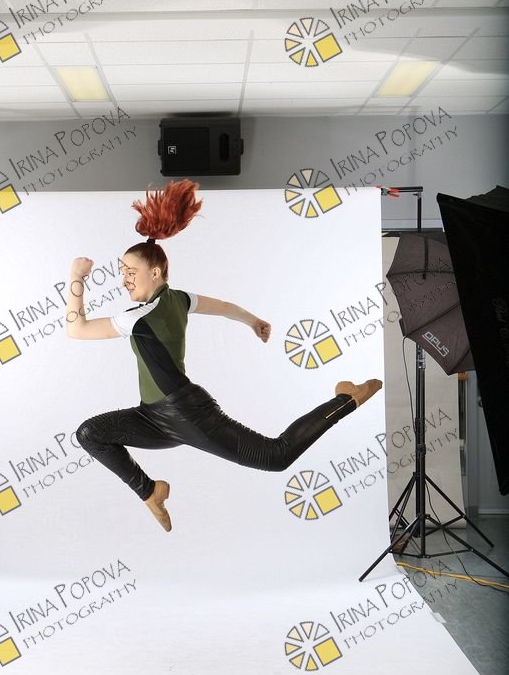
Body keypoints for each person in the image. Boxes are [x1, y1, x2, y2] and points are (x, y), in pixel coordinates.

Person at [66, 179, 381, 532]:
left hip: (186, 414)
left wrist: (76, 277)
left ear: (155, 273)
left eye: (130, 272)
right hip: (152, 417)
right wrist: (253, 321)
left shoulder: (137, 317)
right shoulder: (179, 299)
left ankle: (346, 398)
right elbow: (224, 307)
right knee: (90, 433)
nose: (124, 279)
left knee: (276, 456)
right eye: (122, 272)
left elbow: (76, 329)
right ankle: (151, 491)